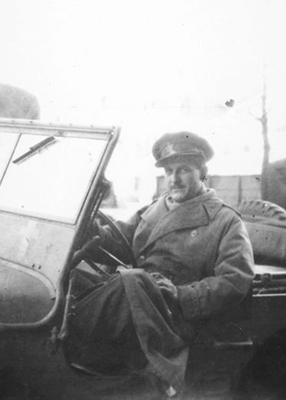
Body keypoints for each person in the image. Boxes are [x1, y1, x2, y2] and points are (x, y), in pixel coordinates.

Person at [67, 131, 255, 398]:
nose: (173, 179)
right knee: (71, 280)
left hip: (175, 316)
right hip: (137, 304)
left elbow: (235, 280)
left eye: (184, 170)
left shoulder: (225, 221)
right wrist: (88, 227)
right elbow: (121, 240)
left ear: (203, 173)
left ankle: (78, 350)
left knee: (132, 280)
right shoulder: (153, 210)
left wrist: (182, 294)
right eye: (168, 171)